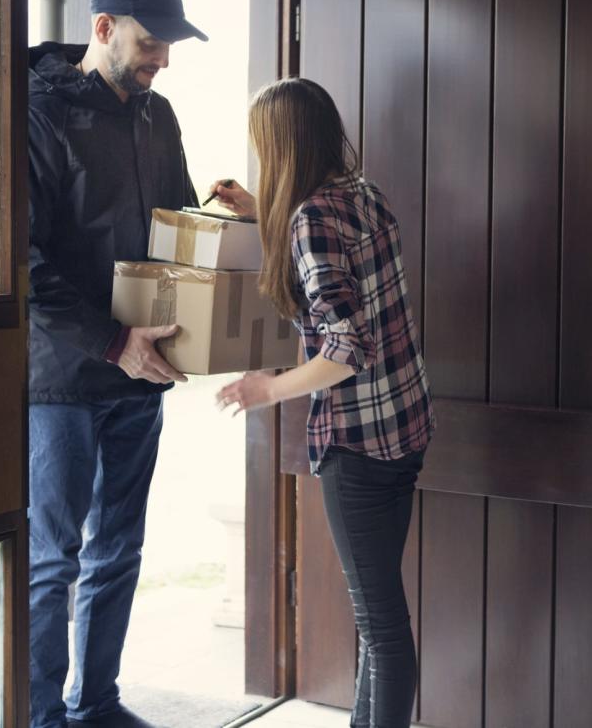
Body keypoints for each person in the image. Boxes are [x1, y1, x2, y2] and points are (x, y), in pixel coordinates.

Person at [213, 78, 434, 728]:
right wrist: (260, 210)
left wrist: (267, 390)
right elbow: (336, 259)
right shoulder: (361, 195)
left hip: (359, 445)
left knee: (382, 627)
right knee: (378, 622)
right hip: (406, 426)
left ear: (281, 146)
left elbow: (345, 347)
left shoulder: (312, 219)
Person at [27, 0, 207, 728]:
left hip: (144, 373)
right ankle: (38, 714)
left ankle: (94, 702)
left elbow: (179, 221)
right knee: (52, 559)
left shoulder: (157, 116)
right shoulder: (38, 113)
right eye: (149, 42)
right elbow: (21, 264)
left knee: (119, 550)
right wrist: (112, 342)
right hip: (64, 378)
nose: (160, 59)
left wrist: (219, 226)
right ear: (102, 28)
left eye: (167, 46)